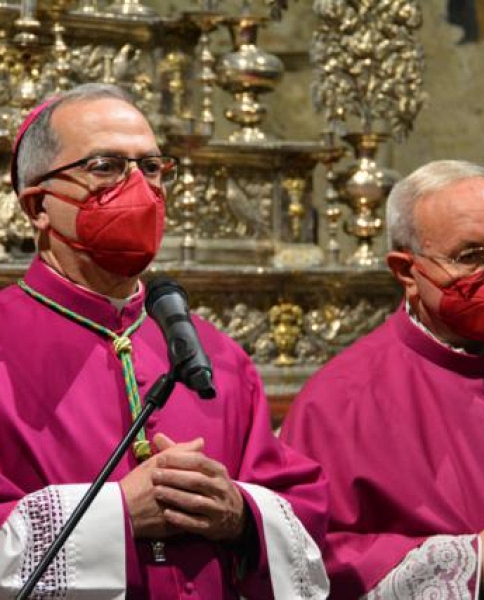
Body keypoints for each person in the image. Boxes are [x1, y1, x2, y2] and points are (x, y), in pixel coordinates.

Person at [0, 82, 329, 599]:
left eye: (152, 168)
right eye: (106, 167)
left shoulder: (219, 356)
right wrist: (117, 515)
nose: (140, 188)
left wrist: (240, 514)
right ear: (39, 205)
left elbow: (304, 514)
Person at [280, 159, 484, 599]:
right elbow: (304, 558)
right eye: (471, 256)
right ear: (407, 272)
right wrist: (467, 568)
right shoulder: (337, 403)